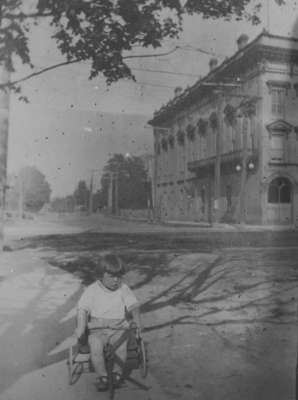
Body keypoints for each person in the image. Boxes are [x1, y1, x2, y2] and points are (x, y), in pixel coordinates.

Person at [75, 253, 142, 390]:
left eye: (119, 276)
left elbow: (134, 306)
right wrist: (81, 327)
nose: (116, 280)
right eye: (111, 276)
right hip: (97, 328)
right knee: (96, 349)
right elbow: (82, 309)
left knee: (121, 349)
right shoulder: (92, 290)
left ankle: (117, 374)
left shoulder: (123, 289)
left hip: (118, 328)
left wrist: (137, 321)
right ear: (101, 275)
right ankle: (103, 376)